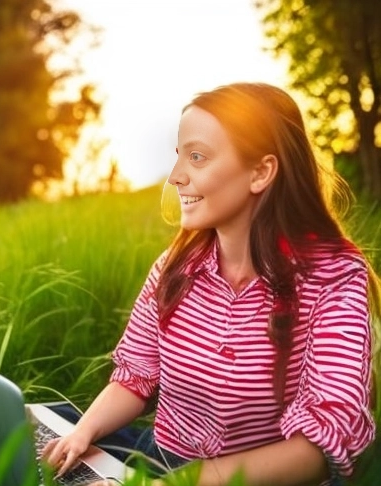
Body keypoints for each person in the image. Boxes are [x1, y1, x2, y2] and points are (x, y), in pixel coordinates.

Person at [41, 82, 380, 486]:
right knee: (42, 424)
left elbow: (325, 446)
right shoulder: (174, 268)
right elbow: (135, 377)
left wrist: (181, 484)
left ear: (261, 172)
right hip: (163, 458)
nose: (176, 177)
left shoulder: (336, 279)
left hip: (257, 480)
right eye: (179, 157)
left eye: (197, 157)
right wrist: (84, 433)